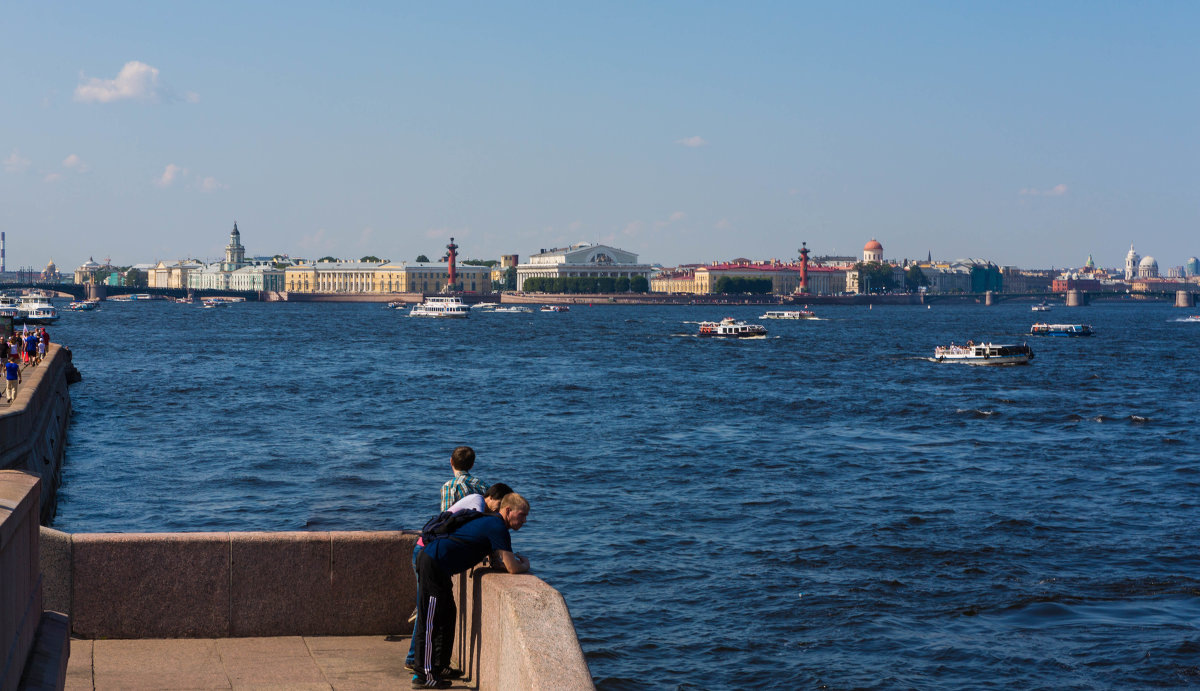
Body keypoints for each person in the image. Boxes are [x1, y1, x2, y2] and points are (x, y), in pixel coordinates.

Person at [412, 492, 530, 688]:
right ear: (508, 510)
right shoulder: (498, 526)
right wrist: (525, 564)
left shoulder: (493, 523)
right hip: (433, 563)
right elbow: (512, 567)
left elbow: (498, 561)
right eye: (522, 515)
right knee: (430, 619)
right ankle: (424, 676)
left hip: (440, 566)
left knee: (448, 613)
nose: (524, 521)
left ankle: (440, 666)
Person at [439, 446, 487, 511]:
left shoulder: (450, 486)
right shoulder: (483, 485)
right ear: (472, 464)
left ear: (451, 461)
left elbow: (445, 516)